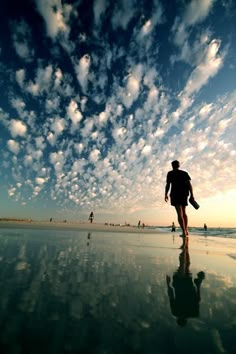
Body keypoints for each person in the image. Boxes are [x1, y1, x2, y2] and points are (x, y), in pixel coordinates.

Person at [166, 247, 205, 326]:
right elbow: (171, 296)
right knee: (183, 264)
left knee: (186, 265)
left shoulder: (193, 313)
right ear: (178, 319)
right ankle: (184, 248)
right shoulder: (175, 312)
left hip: (189, 286)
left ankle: (185, 245)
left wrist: (198, 286)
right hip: (179, 285)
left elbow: (198, 299)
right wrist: (168, 284)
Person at [165, 160, 194, 239]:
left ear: (172, 166)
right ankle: (186, 230)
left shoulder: (170, 173)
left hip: (175, 194)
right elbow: (189, 184)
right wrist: (192, 195)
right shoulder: (184, 173)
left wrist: (166, 194)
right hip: (184, 193)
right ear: (179, 165)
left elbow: (168, 185)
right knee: (184, 212)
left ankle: (184, 231)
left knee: (179, 213)